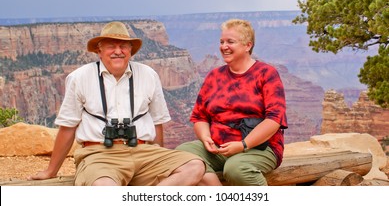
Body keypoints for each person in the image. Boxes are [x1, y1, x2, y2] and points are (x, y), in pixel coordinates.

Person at [28, 21, 205, 186]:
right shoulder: (79, 78)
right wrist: (51, 171)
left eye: (123, 46)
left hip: (143, 151)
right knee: (105, 187)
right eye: (111, 46)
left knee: (195, 167)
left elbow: (157, 122)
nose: (117, 51)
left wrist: (158, 157)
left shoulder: (148, 74)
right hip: (100, 154)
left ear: (131, 50)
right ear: (99, 50)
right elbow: (67, 127)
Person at [176, 18, 287, 186]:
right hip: (219, 147)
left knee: (236, 168)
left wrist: (243, 145)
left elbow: (274, 120)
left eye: (230, 42)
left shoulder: (266, 74)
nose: (224, 46)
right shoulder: (214, 76)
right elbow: (200, 117)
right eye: (221, 42)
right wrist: (206, 138)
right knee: (181, 154)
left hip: (259, 148)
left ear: (247, 45)